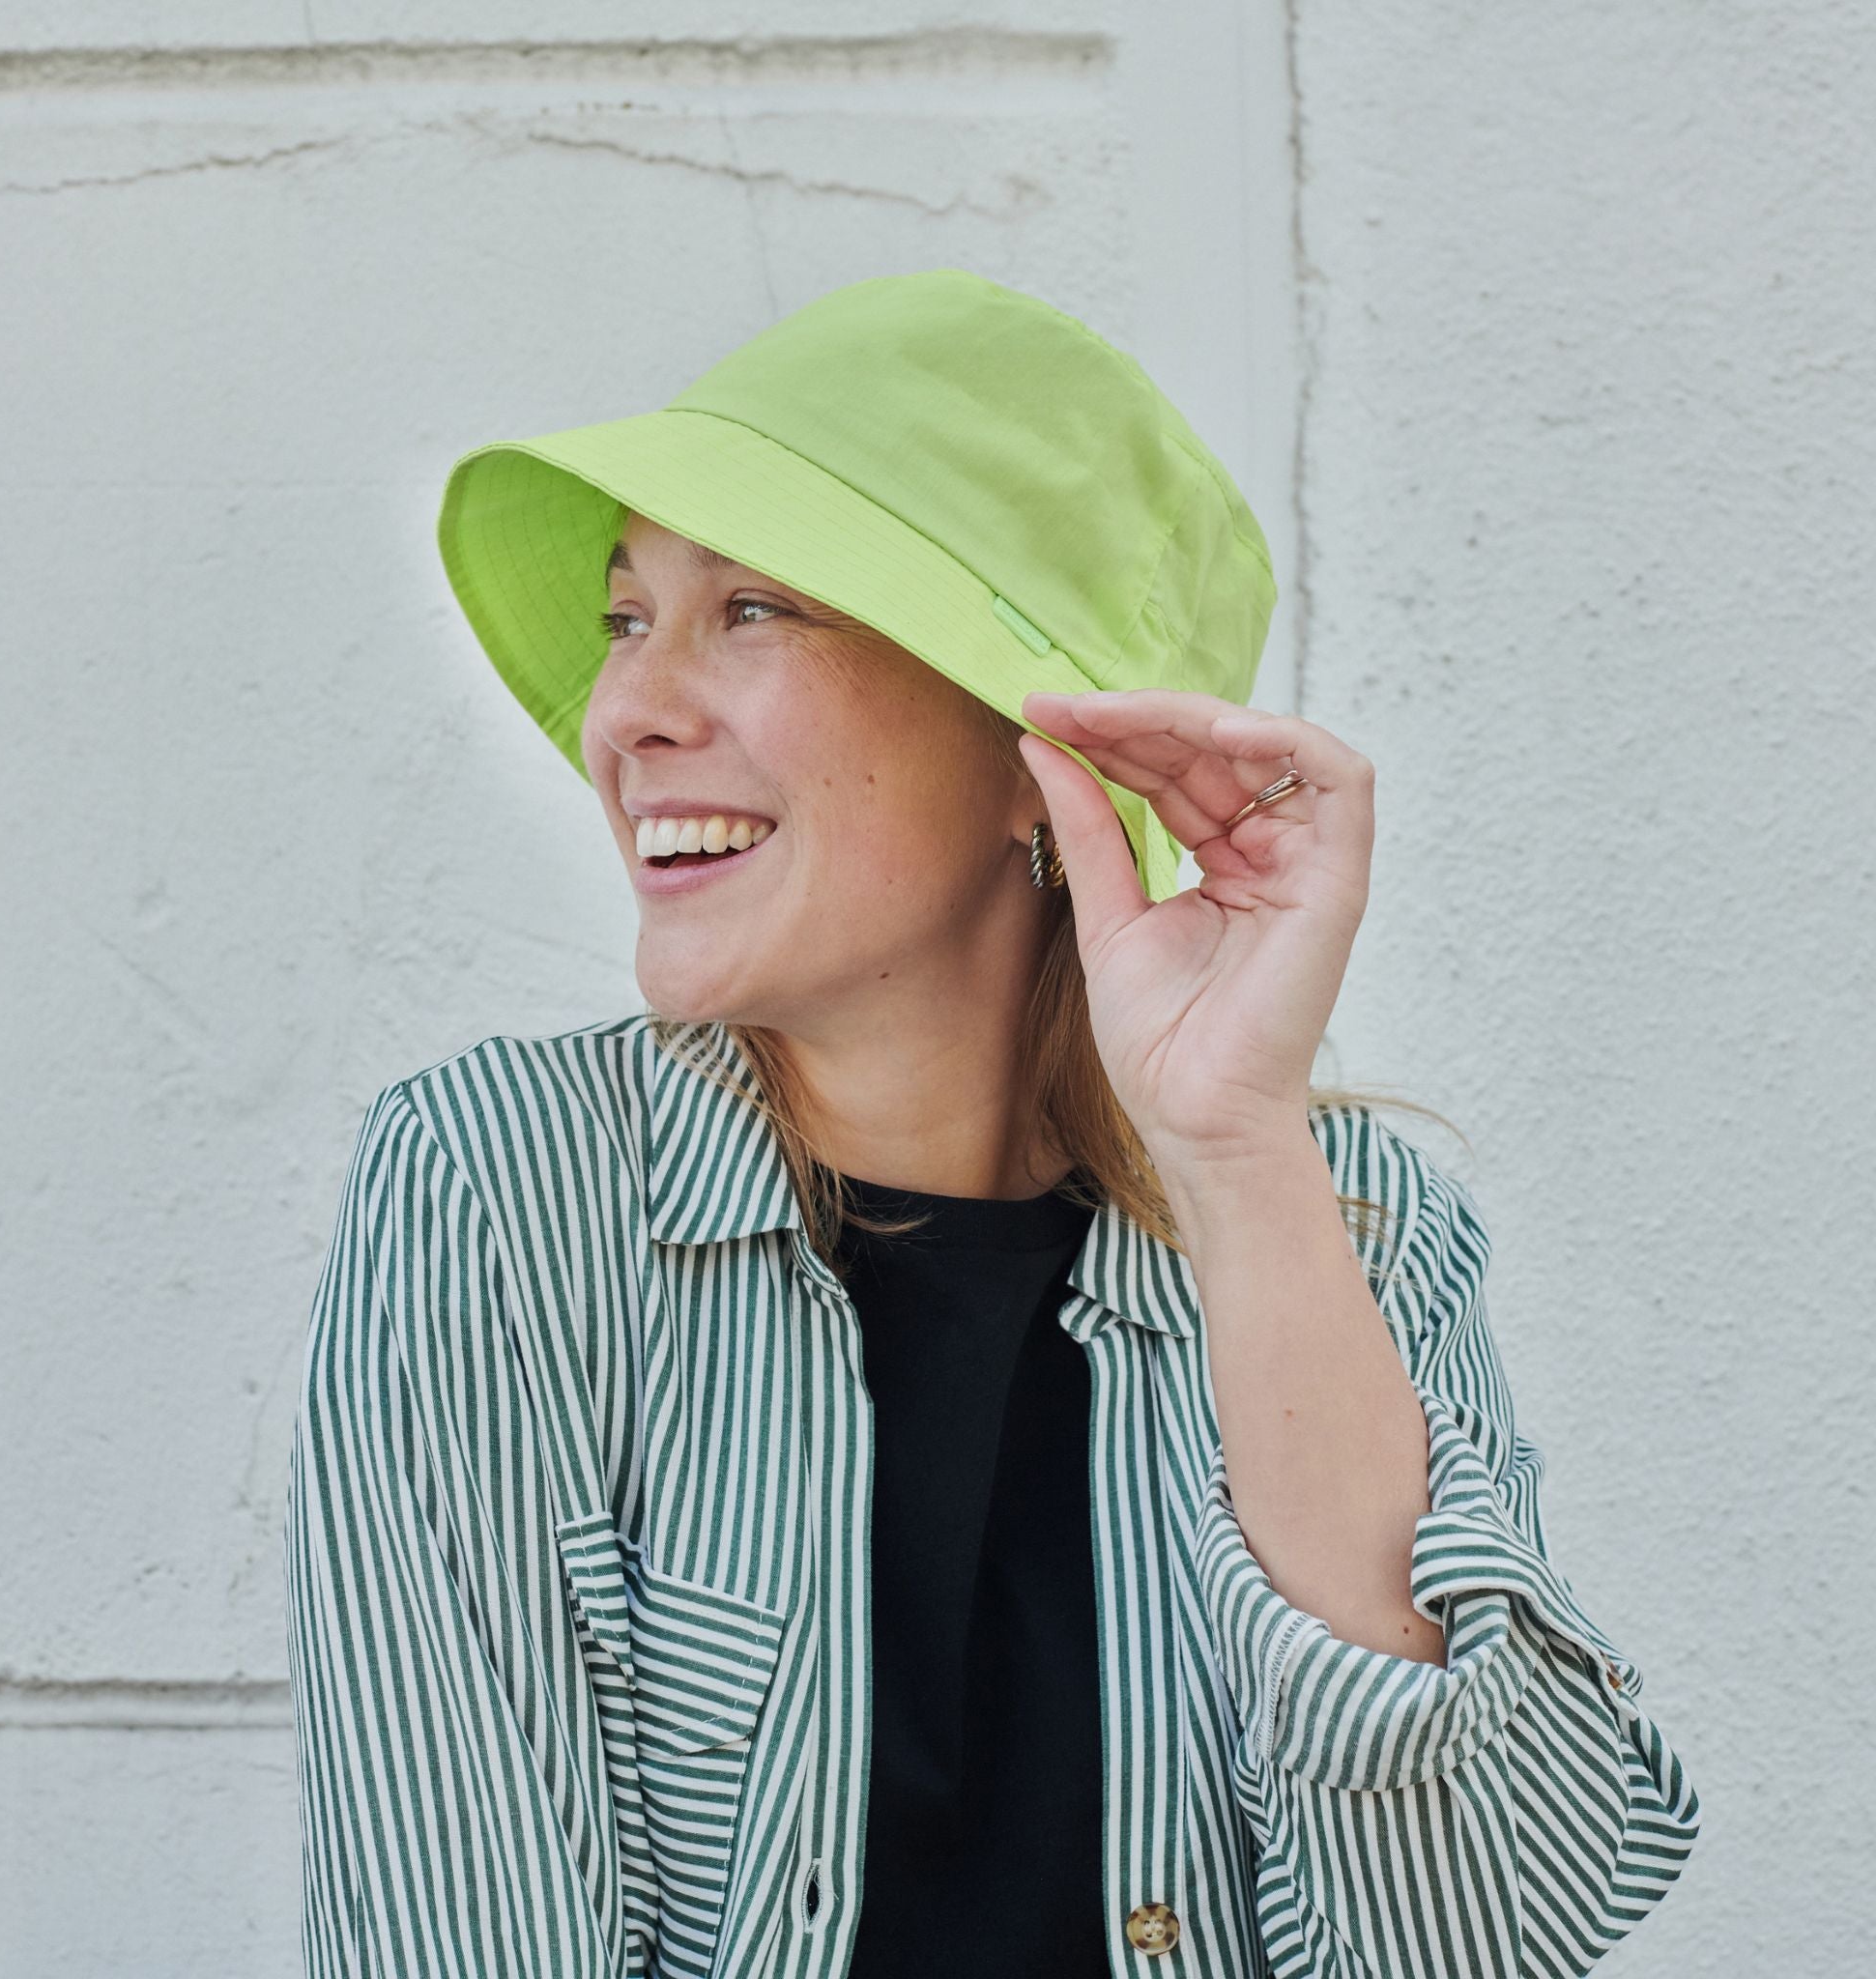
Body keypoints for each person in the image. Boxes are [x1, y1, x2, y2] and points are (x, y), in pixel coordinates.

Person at [283, 270, 1701, 1979]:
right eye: (624, 616)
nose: (627, 713)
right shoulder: (502, 1200)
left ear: (1038, 753)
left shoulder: (1359, 1233)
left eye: (752, 609)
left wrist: (1240, 1160)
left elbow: (1483, 1935)